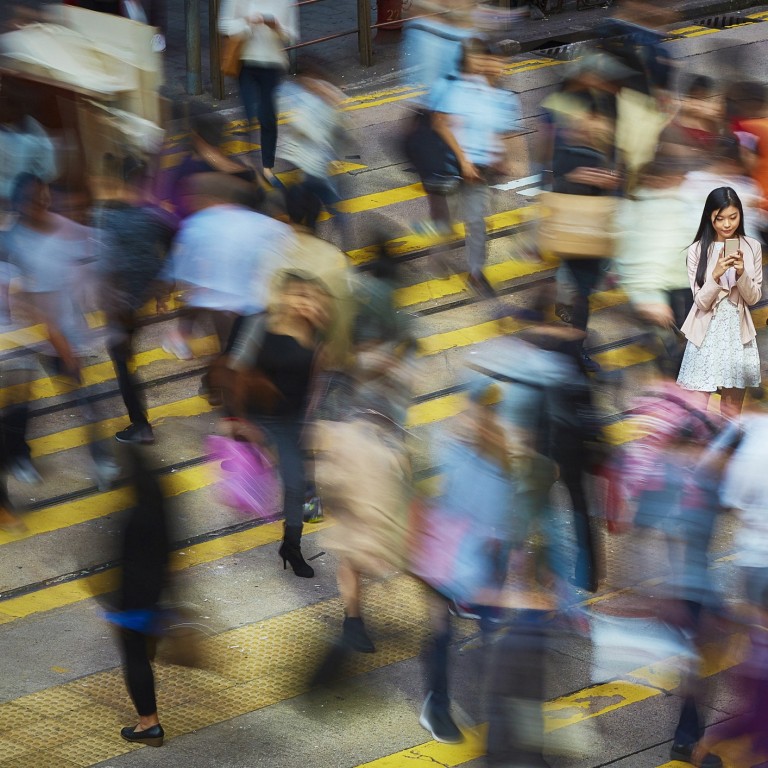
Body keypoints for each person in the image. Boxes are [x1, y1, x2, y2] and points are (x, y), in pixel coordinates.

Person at [227, 271, 334, 578]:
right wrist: (236, 419)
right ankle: (293, 543)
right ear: (283, 296)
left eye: (310, 297)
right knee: (292, 482)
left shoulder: (316, 333)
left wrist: (312, 420)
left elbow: (318, 381)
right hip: (261, 418)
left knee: (300, 482)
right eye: (298, 295)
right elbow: (237, 371)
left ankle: (293, 542)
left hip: (294, 420)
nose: (305, 303)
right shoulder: (260, 325)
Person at [91, 153, 175, 444]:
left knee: (121, 360)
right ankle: (140, 423)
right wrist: (164, 286)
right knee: (123, 357)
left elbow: (105, 265)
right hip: (141, 296)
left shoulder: (108, 216)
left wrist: (112, 305)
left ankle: (140, 425)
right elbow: (172, 248)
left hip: (122, 303)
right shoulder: (155, 216)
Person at [429, 38, 521, 295]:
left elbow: (495, 127)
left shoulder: (489, 90)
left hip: (479, 170)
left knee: (477, 222)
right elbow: (440, 123)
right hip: (452, 167)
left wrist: (501, 155)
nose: (483, 63)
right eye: (478, 57)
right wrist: (463, 160)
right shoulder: (454, 86)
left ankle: (476, 274)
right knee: (447, 221)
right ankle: (439, 256)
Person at [104, 447, 171, 748]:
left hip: (134, 599)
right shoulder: (161, 510)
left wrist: (118, 607)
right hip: (155, 594)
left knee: (135, 658)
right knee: (143, 654)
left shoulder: (135, 518)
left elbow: (125, 564)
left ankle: (148, 723)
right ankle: (149, 721)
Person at [677, 187, 762, 416]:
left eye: (733, 217)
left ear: (740, 215)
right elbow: (701, 303)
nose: (727, 224)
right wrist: (714, 275)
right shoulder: (697, 250)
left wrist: (742, 274)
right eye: (720, 218)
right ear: (709, 217)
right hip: (705, 332)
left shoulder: (752, 246)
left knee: (731, 413)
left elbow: (754, 298)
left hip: (737, 332)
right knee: (696, 412)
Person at [218, 0, 299, 186]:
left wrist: (275, 26)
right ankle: (251, 163)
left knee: (268, 116)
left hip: (273, 64)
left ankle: (267, 167)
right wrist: (246, 22)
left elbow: (291, 34)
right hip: (245, 62)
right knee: (250, 114)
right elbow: (224, 25)